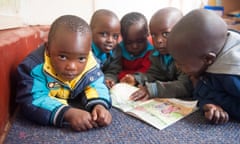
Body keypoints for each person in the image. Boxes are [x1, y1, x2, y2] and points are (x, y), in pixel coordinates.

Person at [16, 15, 112, 131]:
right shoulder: (34, 68)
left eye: (81, 58)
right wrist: (67, 113)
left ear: (88, 52)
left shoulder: (90, 63)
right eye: (62, 56)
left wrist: (99, 105)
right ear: (48, 49)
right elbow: (32, 99)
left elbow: (96, 85)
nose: (71, 67)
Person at [167, 9, 240, 124]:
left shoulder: (232, 74)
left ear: (207, 59)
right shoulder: (209, 55)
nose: (177, 67)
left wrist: (223, 103)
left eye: (181, 64)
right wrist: (208, 104)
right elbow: (201, 91)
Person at [121, 7, 193, 101]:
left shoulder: (187, 56)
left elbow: (185, 86)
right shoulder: (157, 55)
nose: (158, 40)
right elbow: (154, 75)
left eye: (166, 34)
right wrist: (136, 78)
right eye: (154, 35)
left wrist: (154, 89)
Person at [118, 12, 154, 81]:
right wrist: (124, 76)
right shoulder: (118, 50)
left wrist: (133, 77)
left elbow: (147, 71)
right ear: (122, 37)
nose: (135, 46)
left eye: (140, 41)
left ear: (147, 34)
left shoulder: (150, 52)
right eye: (129, 42)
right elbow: (115, 69)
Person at [90, 9, 121, 88]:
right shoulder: (84, 49)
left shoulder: (116, 51)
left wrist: (108, 79)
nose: (110, 40)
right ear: (90, 31)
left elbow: (113, 71)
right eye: (104, 34)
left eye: (115, 36)